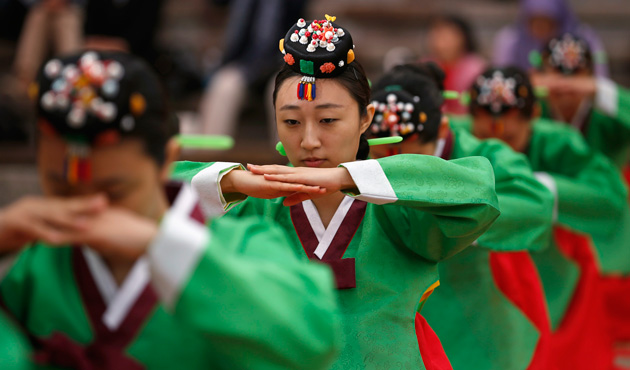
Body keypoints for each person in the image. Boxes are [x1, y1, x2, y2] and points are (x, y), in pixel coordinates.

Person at [172, 15, 501, 370]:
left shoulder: (397, 210)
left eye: (328, 120)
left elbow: (479, 192)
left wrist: (346, 178)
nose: (309, 141)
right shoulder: (254, 210)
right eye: (292, 122)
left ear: (365, 119)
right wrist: (233, 181)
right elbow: (149, 193)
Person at [0, 50, 341, 369]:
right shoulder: (40, 260)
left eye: (114, 191)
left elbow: (314, 337)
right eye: (61, 189)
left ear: (166, 159)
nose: (87, 208)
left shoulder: (244, 247)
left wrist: (163, 246)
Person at [368, 62, 554, 369]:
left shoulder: (484, 155)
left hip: (476, 313)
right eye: (382, 154)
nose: (393, 165)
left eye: (406, 152)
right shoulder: (360, 154)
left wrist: (459, 221)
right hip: (393, 315)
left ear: (442, 130)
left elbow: (536, 205)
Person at [457, 66, 622, 368]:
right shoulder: (456, 135)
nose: (497, 148)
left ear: (534, 114)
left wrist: (544, 189)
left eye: (511, 137)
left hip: (550, 265)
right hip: (477, 269)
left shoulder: (557, 141)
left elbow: (610, 197)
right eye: (483, 135)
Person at [532, 33, 630, 170]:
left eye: (576, 73)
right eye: (557, 72)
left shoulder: (608, 118)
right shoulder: (533, 113)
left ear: (589, 76)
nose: (567, 83)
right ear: (542, 75)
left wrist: (599, 88)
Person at [492, 0, 609, 77]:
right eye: (534, 21)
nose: (540, 28)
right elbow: (502, 77)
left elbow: (601, 76)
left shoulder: (586, 38)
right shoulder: (509, 40)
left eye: (546, 22)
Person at [425, 15, 486, 115]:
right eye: (435, 34)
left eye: (445, 36)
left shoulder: (476, 69)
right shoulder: (426, 66)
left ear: (462, 38)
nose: (439, 41)